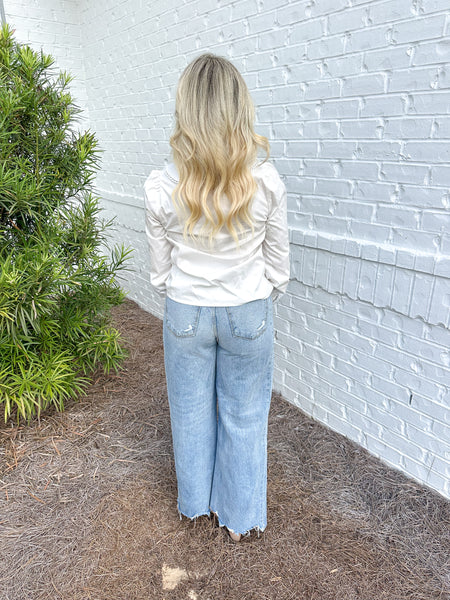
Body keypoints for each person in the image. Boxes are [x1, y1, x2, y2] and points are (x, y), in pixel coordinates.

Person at [144, 53, 290, 542]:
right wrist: (263, 292)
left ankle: (196, 506)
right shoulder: (265, 181)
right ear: (238, 109)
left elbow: (160, 269)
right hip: (249, 310)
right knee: (245, 414)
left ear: (185, 112)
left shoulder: (162, 184)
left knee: (189, 410)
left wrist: (181, 290)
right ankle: (240, 518)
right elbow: (279, 262)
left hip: (186, 310)